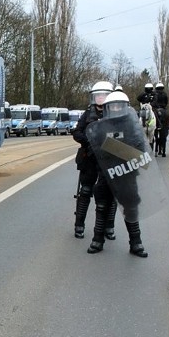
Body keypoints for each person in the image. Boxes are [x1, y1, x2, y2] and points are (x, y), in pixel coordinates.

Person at [85, 91, 148, 258]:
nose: (116, 108)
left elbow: (141, 150)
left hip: (127, 174)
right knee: (102, 206)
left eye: (120, 105)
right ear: (107, 108)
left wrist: (118, 150)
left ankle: (136, 243)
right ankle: (97, 240)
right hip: (107, 174)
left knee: (131, 207)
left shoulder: (132, 126)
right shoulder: (100, 126)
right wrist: (110, 151)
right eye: (113, 105)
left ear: (125, 107)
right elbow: (94, 150)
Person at [72, 81, 117, 240]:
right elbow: (76, 132)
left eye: (104, 95)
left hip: (109, 158)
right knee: (85, 191)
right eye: (98, 95)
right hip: (90, 158)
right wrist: (88, 141)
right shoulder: (87, 114)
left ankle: (109, 227)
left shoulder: (115, 112)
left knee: (111, 194)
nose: (100, 98)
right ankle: (79, 225)